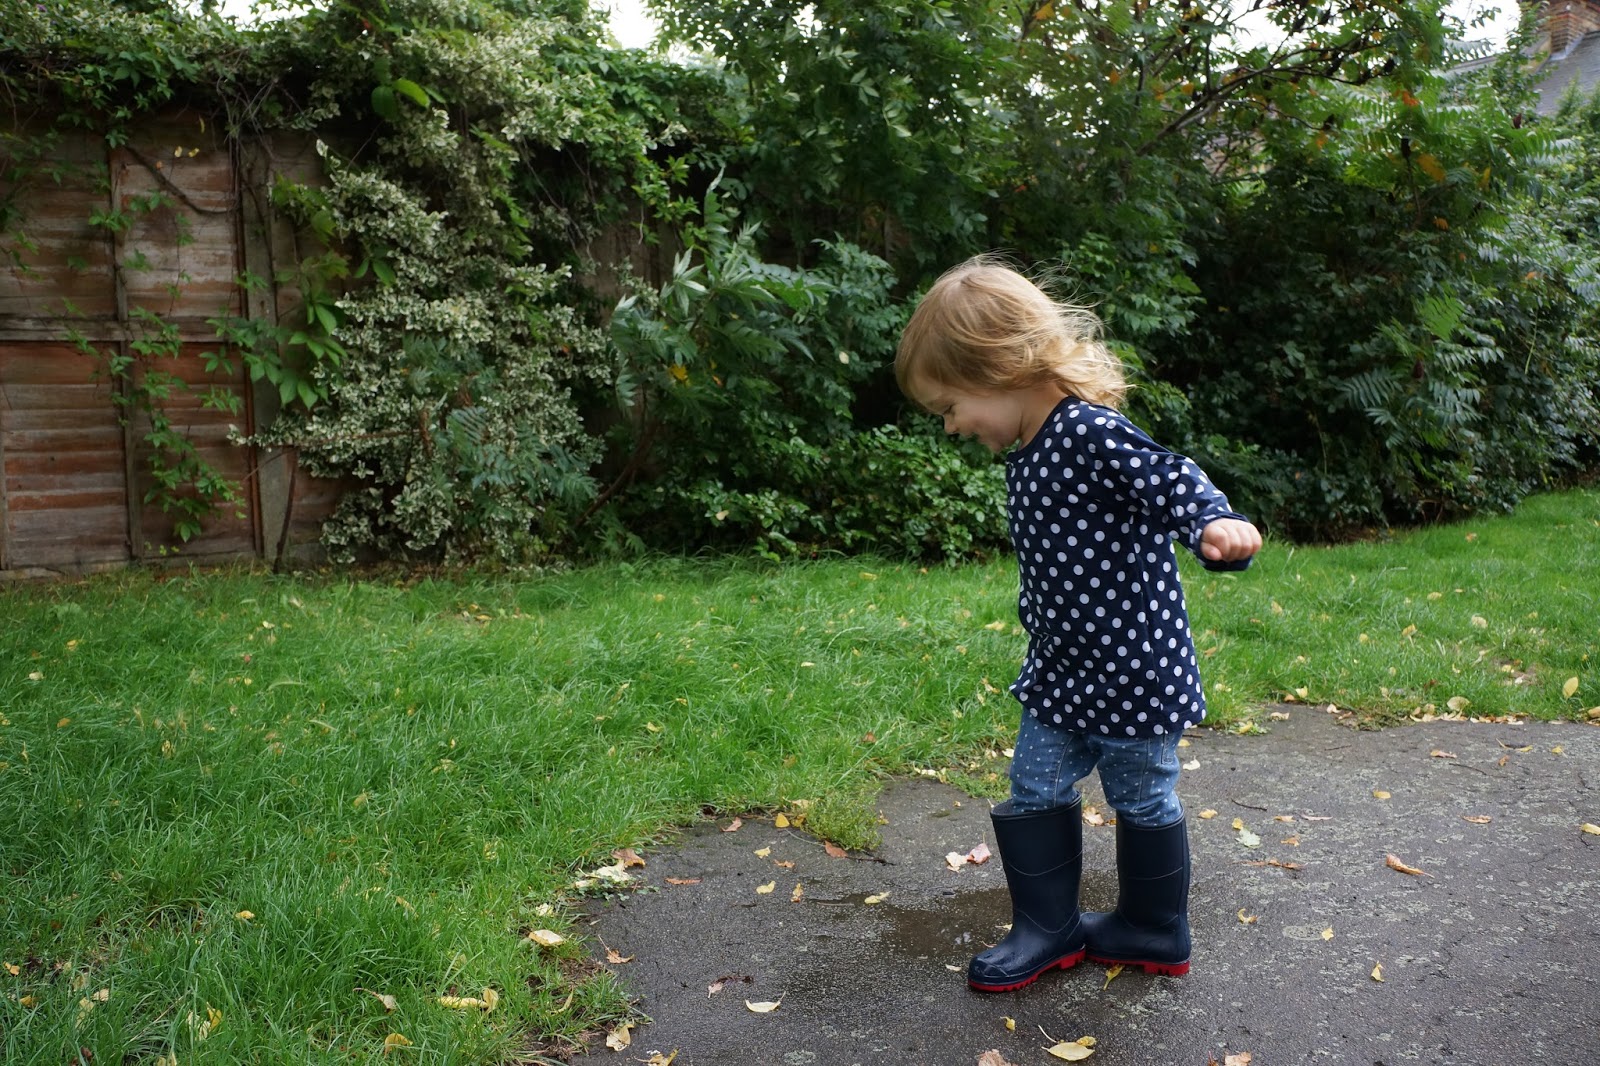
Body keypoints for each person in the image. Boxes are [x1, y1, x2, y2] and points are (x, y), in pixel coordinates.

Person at [895, 255, 1262, 993]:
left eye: (950, 406)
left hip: (1134, 670)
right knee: (1033, 787)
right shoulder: (1030, 450)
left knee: (1142, 797)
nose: (952, 425)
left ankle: (1153, 929)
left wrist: (1212, 522)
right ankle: (1048, 927)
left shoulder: (1087, 431)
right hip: (1062, 670)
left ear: (999, 368)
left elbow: (1169, 475)